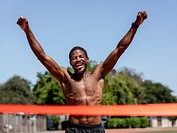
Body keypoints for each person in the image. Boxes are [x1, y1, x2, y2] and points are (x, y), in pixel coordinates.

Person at [17, 11, 147, 133]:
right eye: (74, 58)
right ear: (70, 63)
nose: (78, 59)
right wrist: (27, 30)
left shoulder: (98, 74)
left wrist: (135, 25)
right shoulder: (65, 77)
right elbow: (42, 56)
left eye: (80, 56)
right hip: (74, 129)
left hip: (96, 129)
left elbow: (119, 49)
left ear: (87, 59)